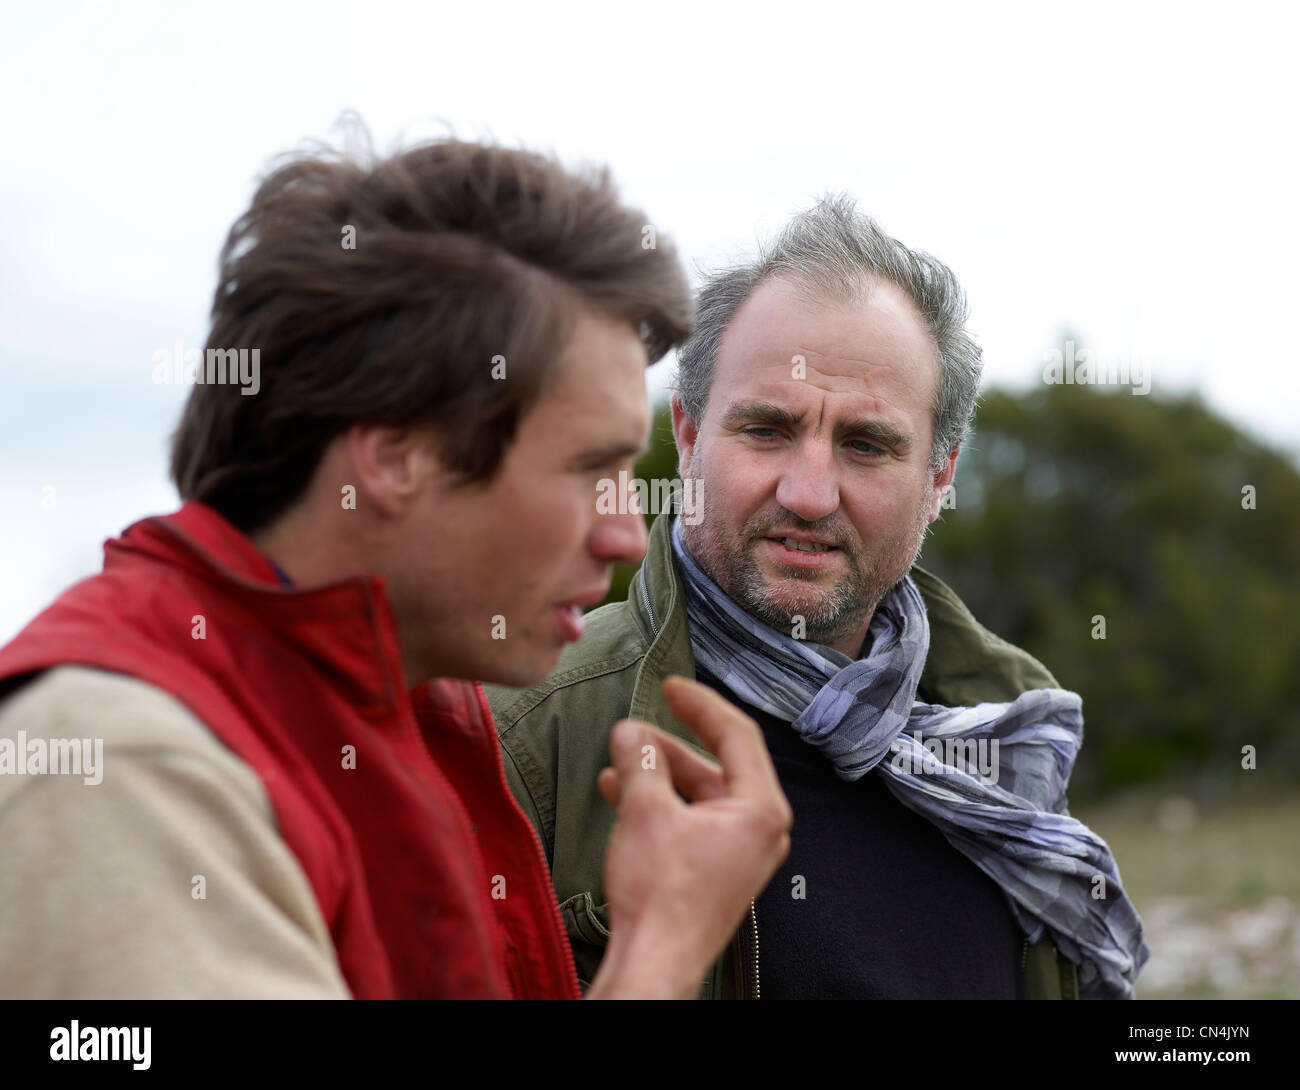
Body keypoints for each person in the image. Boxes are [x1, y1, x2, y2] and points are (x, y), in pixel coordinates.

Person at [0, 134, 792, 999]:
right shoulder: (126, 765)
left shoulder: (413, 712)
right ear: (392, 458)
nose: (628, 534)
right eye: (587, 470)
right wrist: (661, 951)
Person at [487, 196, 1150, 999]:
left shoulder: (1011, 728)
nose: (808, 494)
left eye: (867, 445)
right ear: (689, 436)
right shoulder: (521, 737)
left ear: (940, 476)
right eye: (766, 429)